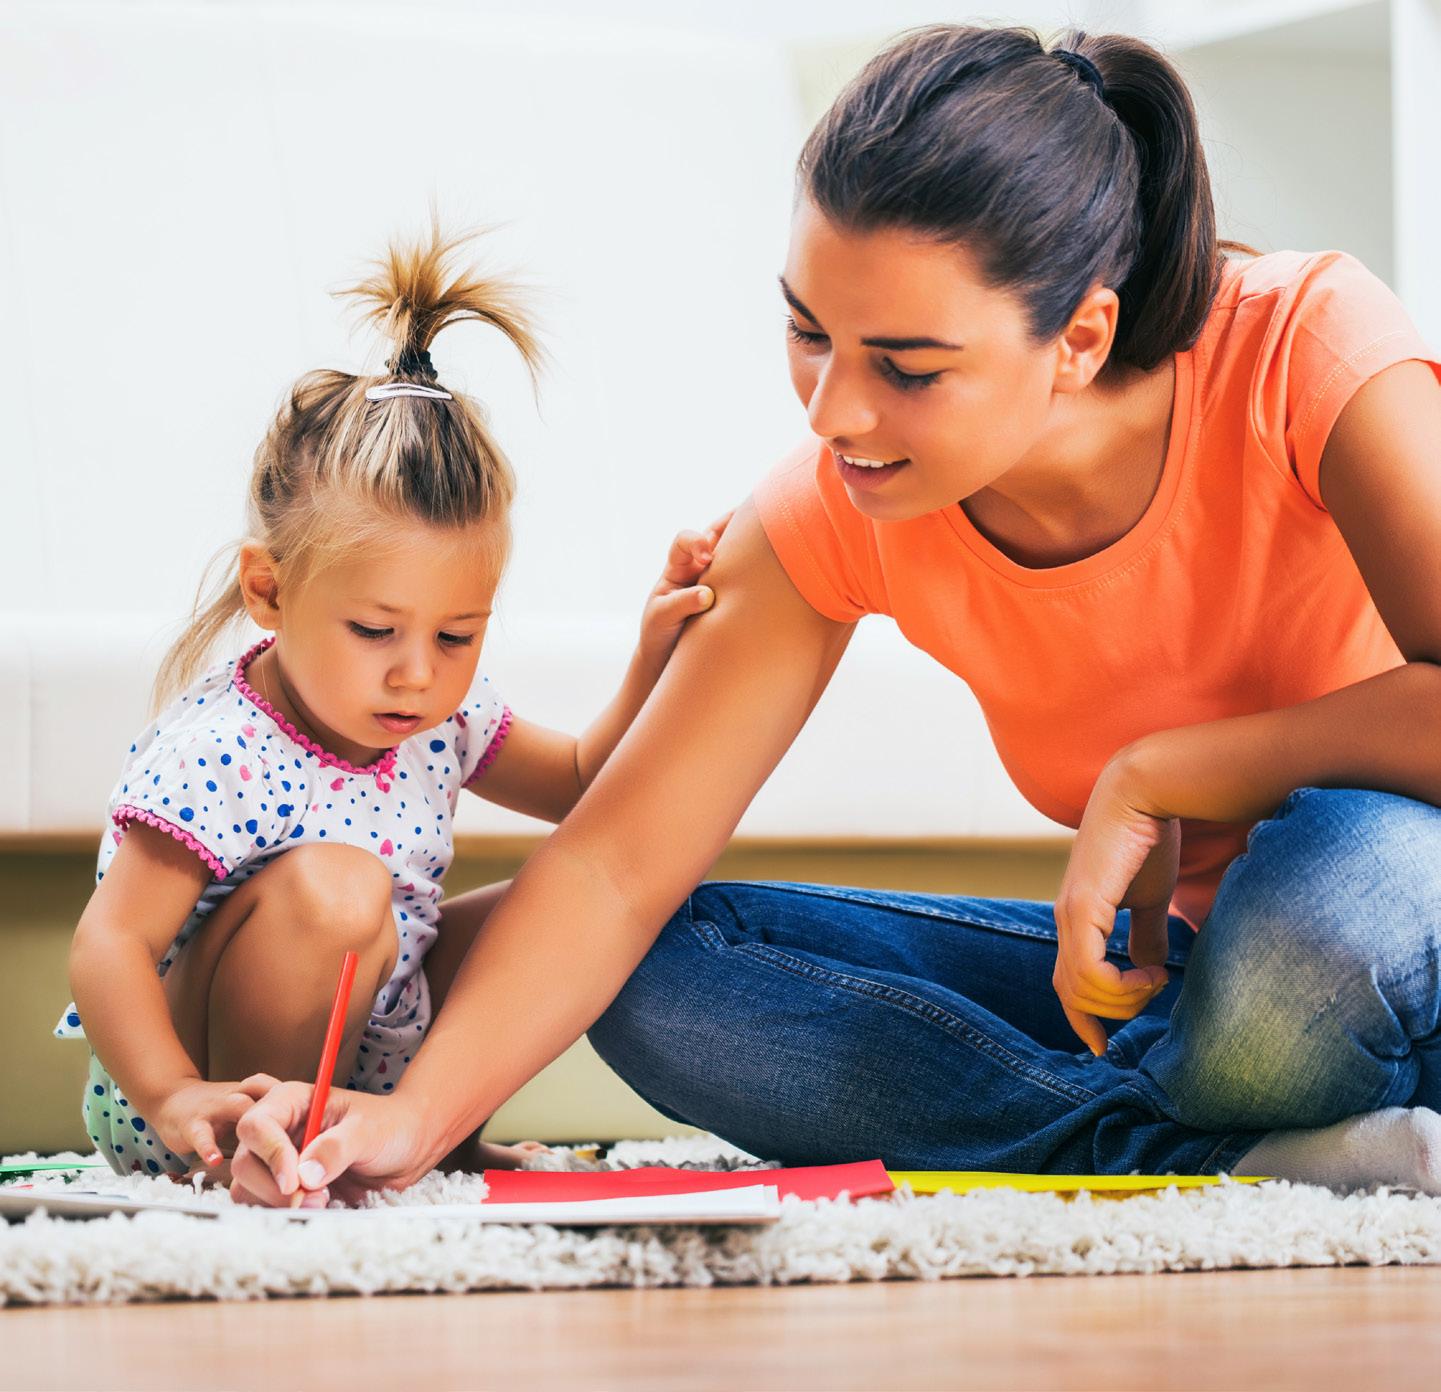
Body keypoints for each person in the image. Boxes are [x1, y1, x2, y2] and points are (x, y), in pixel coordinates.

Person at [230, 25, 1441, 1208]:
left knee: (1319, 933)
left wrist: (1160, 774)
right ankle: (1232, 1155)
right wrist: (413, 1120)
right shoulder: (836, 504)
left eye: (907, 368)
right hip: (1180, 989)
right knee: (661, 975)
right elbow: (613, 866)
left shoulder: (1302, 345)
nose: (831, 414)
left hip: (1373, 932)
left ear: (1080, 337)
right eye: (808, 333)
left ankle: (1167, 1128)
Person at [55, 225, 726, 1184]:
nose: (418, 674)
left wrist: (655, 657)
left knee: (548, 906)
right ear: (270, 591)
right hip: (199, 1091)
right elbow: (110, 942)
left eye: (457, 636)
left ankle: (433, 1132)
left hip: (371, 1034)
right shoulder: (220, 750)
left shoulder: (442, 719)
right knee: (340, 891)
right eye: (376, 631)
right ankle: (260, 1150)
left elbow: (585, 782)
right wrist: (171, 1096)